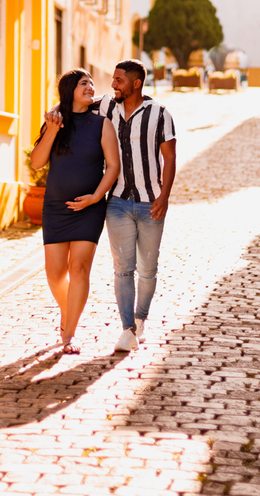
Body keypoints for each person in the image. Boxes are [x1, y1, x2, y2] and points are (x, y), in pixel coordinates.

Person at [47, 60, 177, 353]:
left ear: (135, 84)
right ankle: (127, 329)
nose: (113, 85)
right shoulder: (107, 107)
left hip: (150, 201)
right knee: (123, 268)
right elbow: (71, 102)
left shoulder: (159, 114)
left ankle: (140, 319)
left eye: (119, 80)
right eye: (113, 79)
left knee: (148, 269)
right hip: (117, 201)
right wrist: (55, 111)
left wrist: (164, 196)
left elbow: (170, 157)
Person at [29, 69, 120, 354]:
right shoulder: (55, 122)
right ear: (70, 90)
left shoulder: (102, 124)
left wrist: (95, 197)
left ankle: (69, 334)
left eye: (92, 83)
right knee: (55, 274)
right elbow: (37, 163)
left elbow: (113, 167)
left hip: (89, 209)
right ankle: (68, 311)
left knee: (79, 268)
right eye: (84, 83)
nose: (91, 87)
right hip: (55, 208)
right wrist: (53, 129)